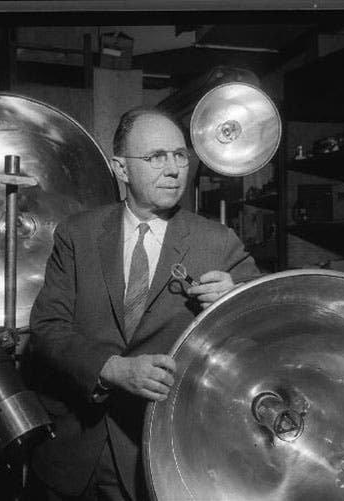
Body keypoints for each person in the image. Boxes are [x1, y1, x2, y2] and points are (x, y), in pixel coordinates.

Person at [25, 107, 260, 500]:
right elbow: (47, 330)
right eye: (156, 157)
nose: (173, 169)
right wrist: (112, 369)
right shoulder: (78, 234)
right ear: (120, 169)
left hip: (162, 452)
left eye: (180, 155)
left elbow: (268, 328)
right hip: (73, 450)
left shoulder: (218, 243)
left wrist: (235, 298)